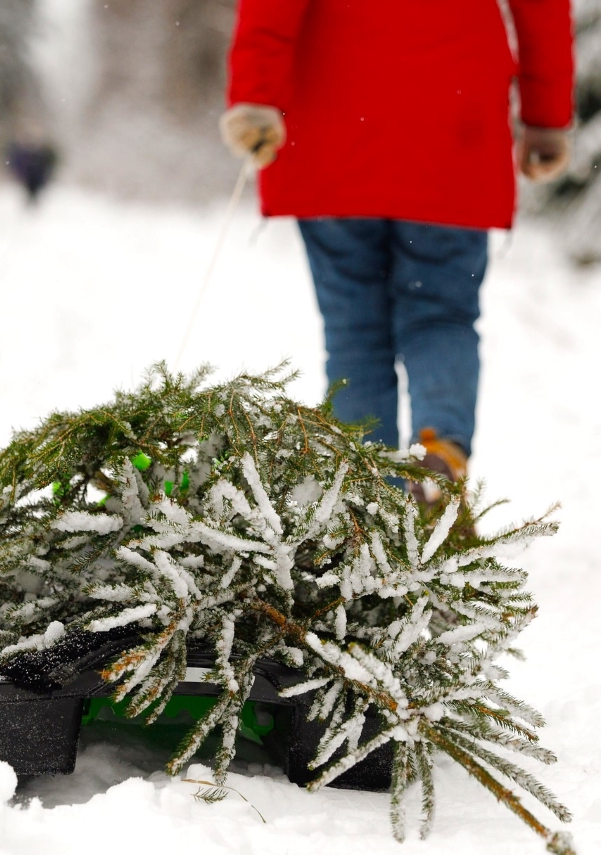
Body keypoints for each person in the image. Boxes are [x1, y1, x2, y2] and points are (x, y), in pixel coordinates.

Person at [220, 0, 574, 495]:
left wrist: (254, 96)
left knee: (354, 329)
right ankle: (439, 456)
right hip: (452, 130)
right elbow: (543, 12)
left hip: (332, 130)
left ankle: (369, 496)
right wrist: (546, 115)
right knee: (442, 314)